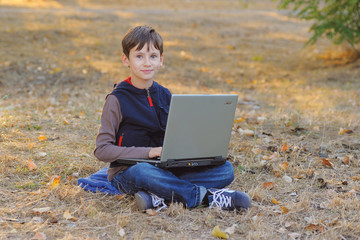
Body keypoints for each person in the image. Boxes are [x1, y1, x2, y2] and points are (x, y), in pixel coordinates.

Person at [94, 25, 251, 212]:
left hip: (166, 169)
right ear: (125, 60)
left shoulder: (165, 95)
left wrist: (195, 150)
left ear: (161, 60)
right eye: (139, 56)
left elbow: (177, 135)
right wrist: (148, 152)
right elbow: (102, 150)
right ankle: (206, 198)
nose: (147, 63)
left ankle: (157, 196)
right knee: (144, 171)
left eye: (152, 56)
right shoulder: (116, 99)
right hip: (129, 173)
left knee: (225, 170)